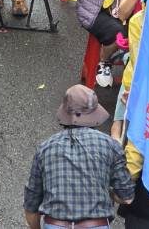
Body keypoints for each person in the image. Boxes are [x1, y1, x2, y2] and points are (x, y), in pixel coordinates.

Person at [23, 85, 134, 229]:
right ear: (95, 114)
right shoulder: (111, 145)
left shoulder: (45, 148)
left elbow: (31, 204)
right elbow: (127, 197)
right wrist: (108, 191)